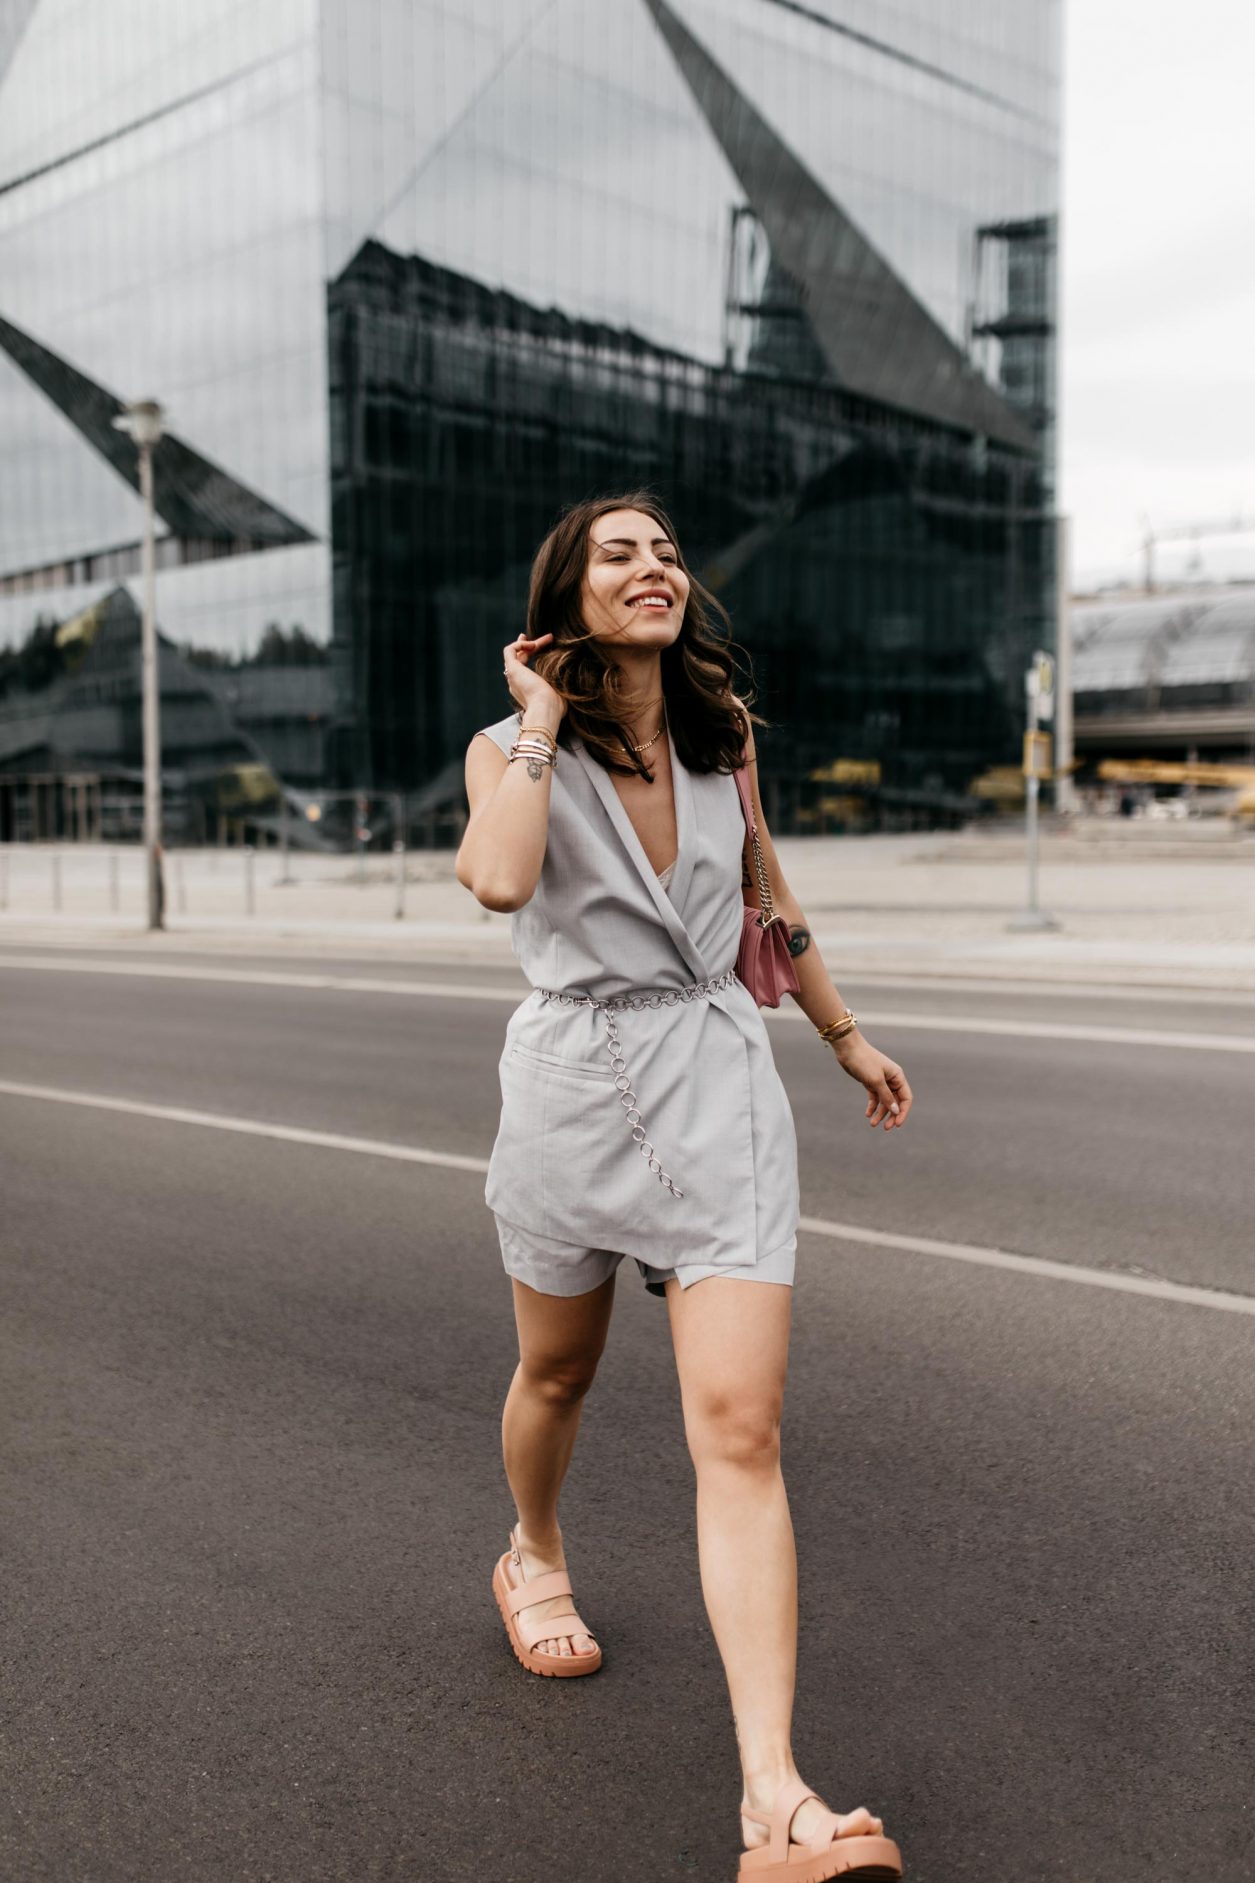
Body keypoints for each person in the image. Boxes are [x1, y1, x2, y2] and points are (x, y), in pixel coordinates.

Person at [455, 493, 913, 1880]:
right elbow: (497, 879)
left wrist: (844, 1035)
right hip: (572, 1087)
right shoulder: (507, 750)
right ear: (569, 596)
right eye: (619, 554)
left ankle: (773, 1797)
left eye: (664, 552)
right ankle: (534, 1551)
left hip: (717, 1086)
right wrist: (540, 718)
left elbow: (769, 896)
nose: (652, 567)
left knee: (741, 1429)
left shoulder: (725, 738)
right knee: (558, 1373)